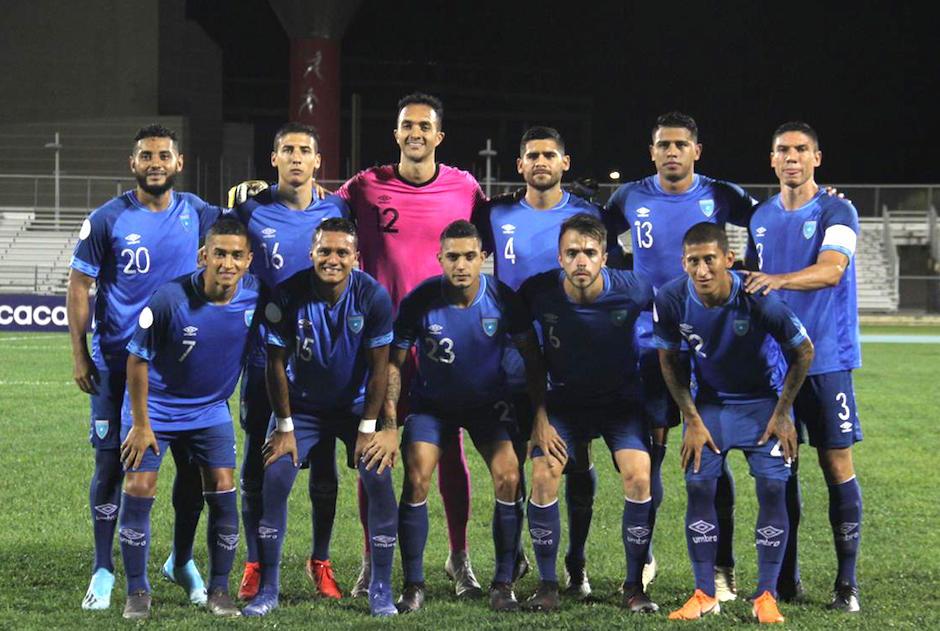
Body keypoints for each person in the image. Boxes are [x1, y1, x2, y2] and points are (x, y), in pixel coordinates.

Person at [333, 93, 489, 597]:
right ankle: (368, 558)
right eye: (407, 126)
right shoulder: (365, 187)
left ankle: (458, 556)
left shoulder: (464, 187)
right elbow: (319, 219)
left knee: (449, 451)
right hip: (380, 345)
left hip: (445, 342)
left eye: (425, 126)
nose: (415, 133)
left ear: (439, 136)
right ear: (396, 133)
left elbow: (489, 238)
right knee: (372, 446)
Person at [68, 124, 222, 610]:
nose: (155, 162)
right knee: (112, 463)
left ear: (179, 163)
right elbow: (79, 287)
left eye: (163, 155)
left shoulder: (197, 212)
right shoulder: (107, 219)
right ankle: (104, 568)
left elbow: (243, 230)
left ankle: (180, 560)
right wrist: (79, 353)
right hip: (118, 363)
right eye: (145, 156)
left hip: (182, 368)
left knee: (192, 468)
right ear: (132, 164)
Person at [604, 112, 756, 598]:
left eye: (680, 144)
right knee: (652, 455)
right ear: (651, 152)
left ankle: (722, 567)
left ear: (697, 150)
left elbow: (771, 222)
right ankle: (644, 555)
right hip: (651, 345)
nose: (672, 152)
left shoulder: (722, 194)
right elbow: (595, 236)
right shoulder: (628, 196)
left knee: (713, 452)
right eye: (663, 145)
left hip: (710, 348)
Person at [655, 222, 814, 624]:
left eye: (710, 260)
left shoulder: (758, 297)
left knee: (774, 488)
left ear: (728, 259)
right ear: (684, 263)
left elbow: (804, 351)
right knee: (698, 484)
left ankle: (766, 594)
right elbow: (669, 361)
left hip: (763, 405)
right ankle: (705, 592)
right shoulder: (672, 299)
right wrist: (691, 419)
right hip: (712, 406)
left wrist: (783, 413)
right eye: (694, 262)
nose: (703, 270)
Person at [242, 218, 399, 618]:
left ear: (355, 258)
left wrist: (369, 429)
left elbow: (380, 368)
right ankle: (269, 588)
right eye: (325, 251)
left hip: (354, 409)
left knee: (379, 480)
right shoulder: (287, 294)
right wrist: (285, 427)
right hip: (303, 409)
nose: (333, 259)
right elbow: (274, 365)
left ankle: (381, 588)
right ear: (312, 254)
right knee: (274, 478)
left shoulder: (372, 297)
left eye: (341, 252)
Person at [473, 125, 602, 596]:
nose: (541, 161)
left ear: (565, 163)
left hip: (570, 360)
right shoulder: (497, 212)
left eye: (550, 154)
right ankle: (507, 569)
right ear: (520, 165)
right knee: (509, 469)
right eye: (533, 155)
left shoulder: (588, 213)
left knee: (575, 460)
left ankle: (576, 563)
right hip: (510, 357)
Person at [390, 220, 544, 613]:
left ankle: (503, 582)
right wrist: (390, 421)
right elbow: (393, 364)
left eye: (470, 256)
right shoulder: (419, 300)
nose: (461, 265)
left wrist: (540, 416)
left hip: (488, 406)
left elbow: (532, 360)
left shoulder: (505, 300)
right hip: (432, 405)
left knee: (510, 475)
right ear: (439, 258)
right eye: (453, 257)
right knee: (418, 474)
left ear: (483, 259)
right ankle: (413, 584)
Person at [744, 122, 863, 612]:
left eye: (800, 150)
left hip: (827, 361)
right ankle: (785, 581)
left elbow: (833, 268)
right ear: (771, 160)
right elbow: (755, 281)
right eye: (782, 151)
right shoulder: (760, 216)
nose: (791, 157)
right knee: (780, 472)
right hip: (776, 367)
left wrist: (778, 278)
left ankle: (847, 585)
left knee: (835, 466)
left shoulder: (837, 208)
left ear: (817, 157)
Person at [117, 216, 260, 619]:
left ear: (248, 260)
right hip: (156, 409)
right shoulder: (168, 299)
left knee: (223, 486)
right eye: (219, 254)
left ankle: (219, 590)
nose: (227, 263)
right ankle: (137, 592)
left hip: (210, 409)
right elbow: (137, 360)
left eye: (236, 255)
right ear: (203, 256)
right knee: (140, 484)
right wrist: (142, 425)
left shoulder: (255, 297)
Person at [518, 213, 658, 613]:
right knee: (544, 474)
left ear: (605, 257)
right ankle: (547, 585)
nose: (581, 261)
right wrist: (539, 418)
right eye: (572, 253)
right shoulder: (538, 292)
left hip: (620, 404)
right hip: (564, 403)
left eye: (590, 253)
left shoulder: (634, 289)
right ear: (559, 257)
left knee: (638, 476)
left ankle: (634, 586)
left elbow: (672, 324)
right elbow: (530, 357)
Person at [231, 122, 347, 601]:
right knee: (258, 459)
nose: (296, 158)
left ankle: (320, 560)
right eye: (287, 150)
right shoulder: (250, 210)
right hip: (265, 354)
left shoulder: (338, 209)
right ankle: (256, 562)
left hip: (321, 357)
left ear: (318, 161)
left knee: (323, 463)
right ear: (273, 159)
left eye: (305, 150)